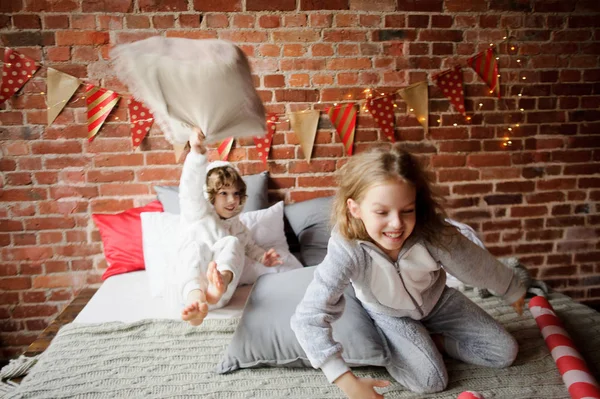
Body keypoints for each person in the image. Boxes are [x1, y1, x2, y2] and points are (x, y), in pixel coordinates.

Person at [291, 144, 526, 398]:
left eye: (407, 211)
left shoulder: (432, 232)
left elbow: (475, 263)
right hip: (390, 314)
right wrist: (347, 382)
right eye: (382, 212)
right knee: (430, 381)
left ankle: (436, 342)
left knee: (504, 352)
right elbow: (308, 316)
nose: (397, 224)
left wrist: (511, 287)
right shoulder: (347, 248)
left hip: (438, 302)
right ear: (354, 208)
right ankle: (398, 343)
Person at [176, 128, 282, 326]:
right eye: (224, 193)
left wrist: (262, 257)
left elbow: (249, 246)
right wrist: (197, 152)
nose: (232, 200)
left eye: (236, 194)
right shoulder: (197, 213)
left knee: (233, 243)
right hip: (190, 291)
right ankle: (196, 304)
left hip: (221, 293)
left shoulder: (237, 227)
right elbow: (190, 190)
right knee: (196, 247)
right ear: (210, 195)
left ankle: (219, 285)